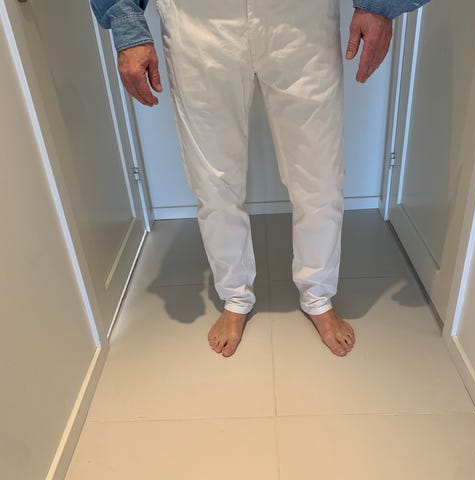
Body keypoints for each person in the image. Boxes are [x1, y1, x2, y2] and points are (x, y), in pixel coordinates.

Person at [90, 0, 429, 358]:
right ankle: (235, 295)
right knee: (213, 178)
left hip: (301, 18)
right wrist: (126, 23)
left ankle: (318, 294)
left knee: (320, 173)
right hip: (196, 20)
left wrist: (378, 5)